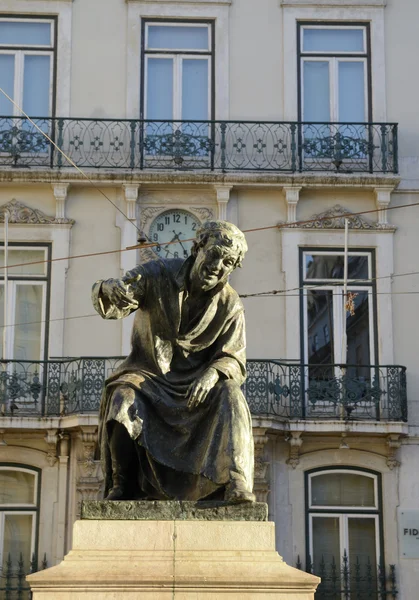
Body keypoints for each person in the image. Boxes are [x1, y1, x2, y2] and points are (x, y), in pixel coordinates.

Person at [92, 220, 255, 503]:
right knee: (123, 395)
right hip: (149, 377)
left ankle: (236, 481)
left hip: (197, 388)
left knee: (231, 393)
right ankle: (122, 484)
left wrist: (213, 374)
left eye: (228, 262)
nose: (218, 265)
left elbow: (234, 358)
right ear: (198, 247)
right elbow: (119, 302)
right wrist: (110, 289)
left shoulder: (231, 304)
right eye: (214, 254)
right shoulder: (157, 273)